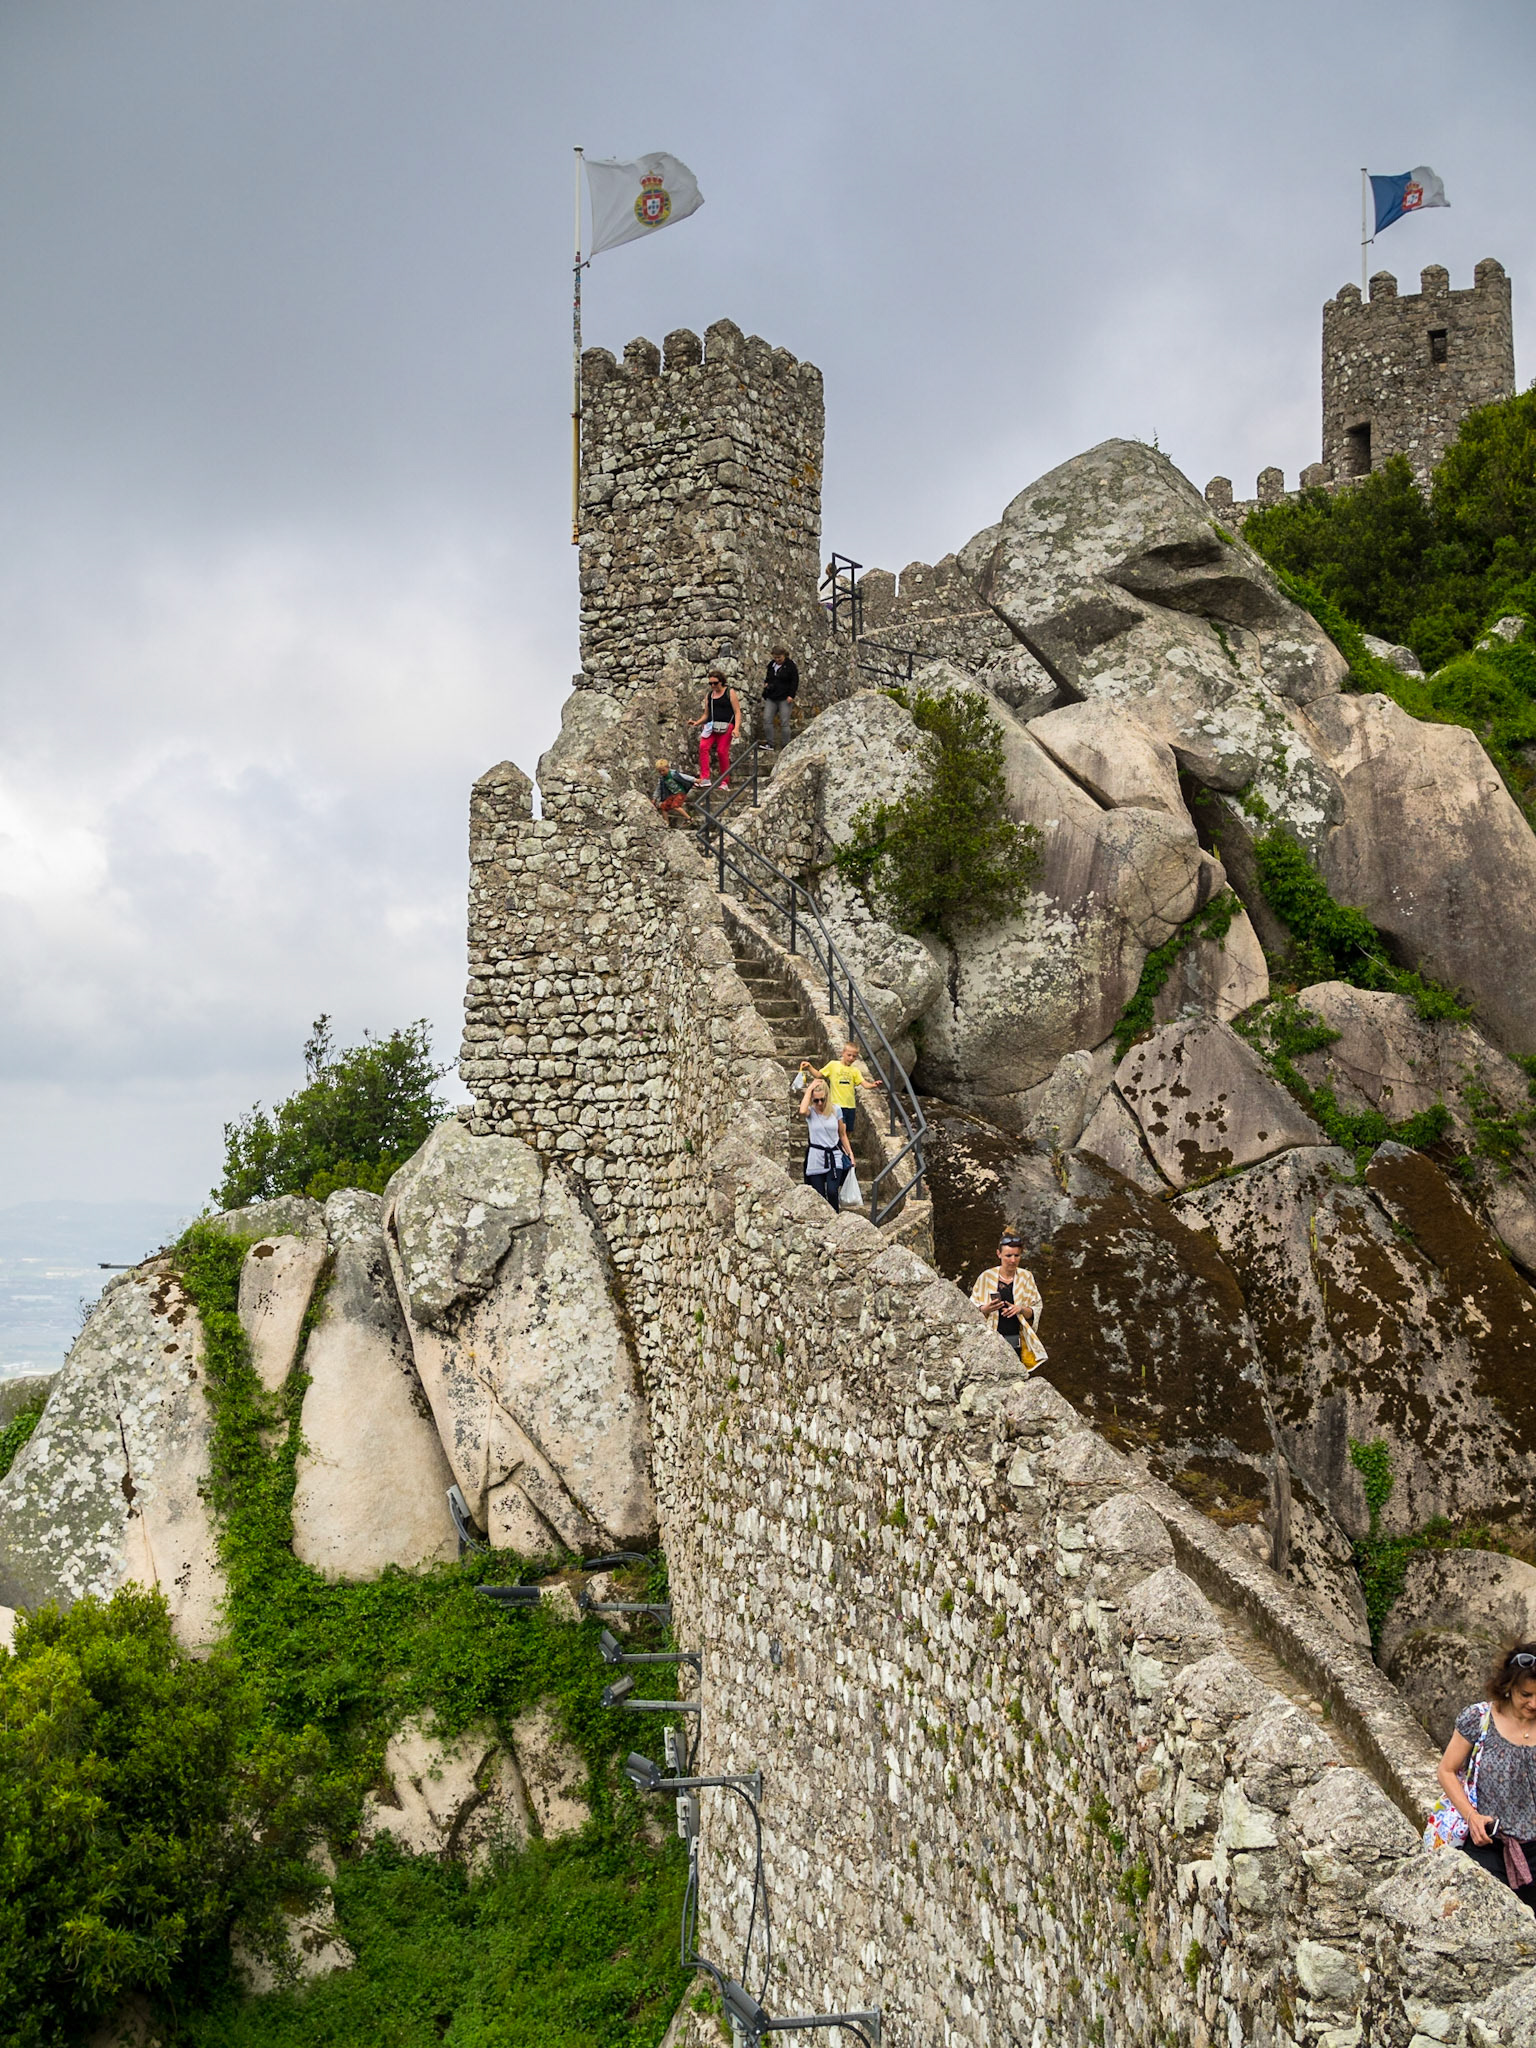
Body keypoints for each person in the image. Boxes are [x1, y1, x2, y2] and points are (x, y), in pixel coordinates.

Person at [1434, 1643, 1536, 1910]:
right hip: (1487, 1844)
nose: (1534, 1703)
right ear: (1508, 1686)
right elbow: (1446, 1770)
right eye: (1526, 1694)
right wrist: (1472, 1817)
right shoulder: (1478, 1718)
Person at [969, 1232, 1047, 1370]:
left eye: (1016, 1255)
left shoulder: (1026, 1277)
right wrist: (986, 1309)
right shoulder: (986, 1277)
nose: (1013, 1260)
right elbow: (970, 1310)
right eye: (1008, 1256)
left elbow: (1035, 1310)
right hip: (990, 1340)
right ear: (998, 1254)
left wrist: (1020, 1309)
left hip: (1016, 1339)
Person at [798, 1044, 883, 1139]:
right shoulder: (833, 1065)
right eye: (849, 1055)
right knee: (837, 1129)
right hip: (836, 1105)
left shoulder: (855, 1071)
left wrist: (873, 1085)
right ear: (843, 1053)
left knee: (848, 1130)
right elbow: (818, 1075)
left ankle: (844, 1150)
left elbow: (864, 1084)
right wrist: (809, 1067)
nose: (851, 1058)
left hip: (850, 1105)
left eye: (854, 1056)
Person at [799, 1073, 850, 1212]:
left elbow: (842, 1133)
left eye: (823, 1099)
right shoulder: (811, 1112)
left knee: (832, 1191)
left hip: (835, 1156)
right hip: (816, 1156)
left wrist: (850, 1154)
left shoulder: (836, 1110)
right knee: (819, 1194)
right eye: (816, 1101)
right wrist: (809, 1089)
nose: (820, 1103)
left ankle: (835, 1218)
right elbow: (802, 1110)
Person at [689, 670, 740, 790]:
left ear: (721, 681)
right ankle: (705, 777)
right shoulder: (709, 695)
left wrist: (736, 728)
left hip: (726, 726)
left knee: (722, 751)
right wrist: (697, 722)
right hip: (711, 726)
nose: (713, 686)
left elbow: (737, 712)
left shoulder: (729, 692)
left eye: (715, 683)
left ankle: (725, 781)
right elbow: (706, 714)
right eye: (710, 684)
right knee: (703, 747)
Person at [762, 646, 799, 751]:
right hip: (771, 696)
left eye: (779, 658)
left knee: (784, 722)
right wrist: (767, 684)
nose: (777, 660)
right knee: (767, 719)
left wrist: (791, 695)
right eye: (775, 657)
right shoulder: (771, 665)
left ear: (784, 656)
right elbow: (768, 677)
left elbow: (795, 680)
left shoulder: (790, 666)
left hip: (784, 697)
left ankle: (786, 745)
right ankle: (770, 743)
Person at [651, 758, 694, 824]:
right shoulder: (662, 779)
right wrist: (654, 798)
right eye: (660, 772)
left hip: (680, 793)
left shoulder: (673, 774)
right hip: (672, 794)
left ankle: (689, 818)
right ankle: (666, 823)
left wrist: (694, 780)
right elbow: (658, 788)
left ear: (668, 768)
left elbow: (684, 777)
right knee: (663, 807)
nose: (662, 773)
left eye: (663, 770)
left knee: (675, 806)